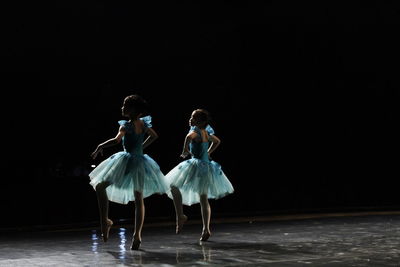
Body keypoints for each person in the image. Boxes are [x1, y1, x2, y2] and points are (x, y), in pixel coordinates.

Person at [89, 94, 168, 250]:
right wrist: (141, 148)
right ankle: (136, 235)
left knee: (100, 187)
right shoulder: (143, 124)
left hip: (127, 161)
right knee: (138, 199)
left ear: (133, 110)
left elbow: (117, 140)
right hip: (139, 161)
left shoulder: (125, 125)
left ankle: (105, 221)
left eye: (125, 106)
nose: (122, 108)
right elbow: (154, 136)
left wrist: (100, 146)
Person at [165, 109, 234, 241]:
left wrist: (185, 149)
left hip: (196, 165)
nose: (191, 119)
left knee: (173, 186)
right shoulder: (206, 133)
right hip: (206, 166)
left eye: (194, 118)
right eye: (191, 117)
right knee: (203, 198)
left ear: (201, 122)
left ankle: (180, 215)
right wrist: (208, 152)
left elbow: (188, 137)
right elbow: (217, 141)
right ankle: (206, 229)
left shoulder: (195, 132)